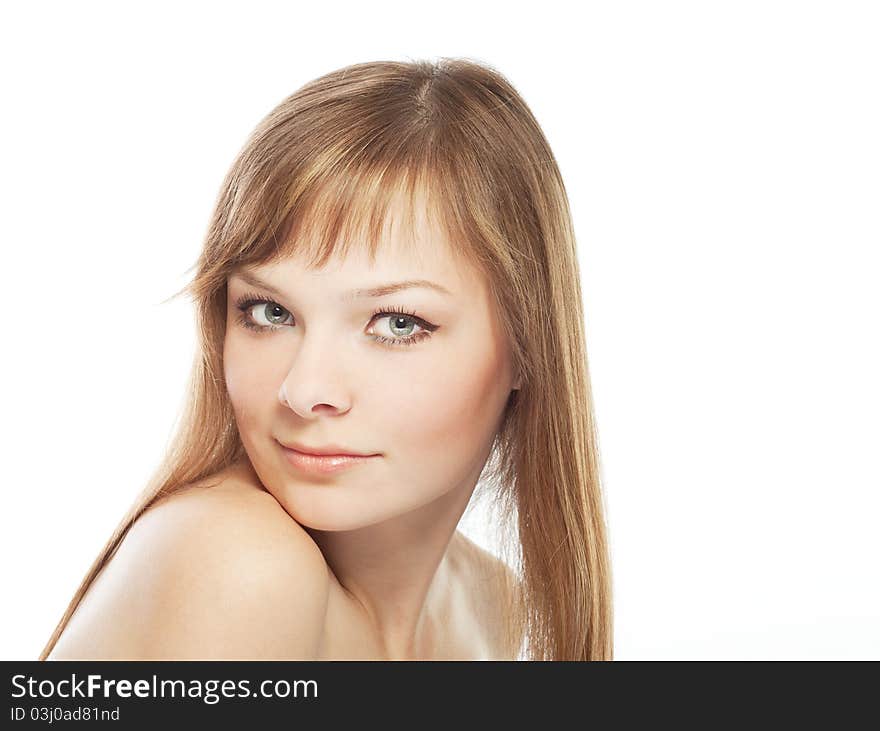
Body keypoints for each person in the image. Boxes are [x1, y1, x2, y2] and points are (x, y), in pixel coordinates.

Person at [40, 57, 613, 661]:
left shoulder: (495, 604)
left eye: (396, 324)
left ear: (530, 343)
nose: (305, 388)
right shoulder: (237, 561)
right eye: (270, 313)